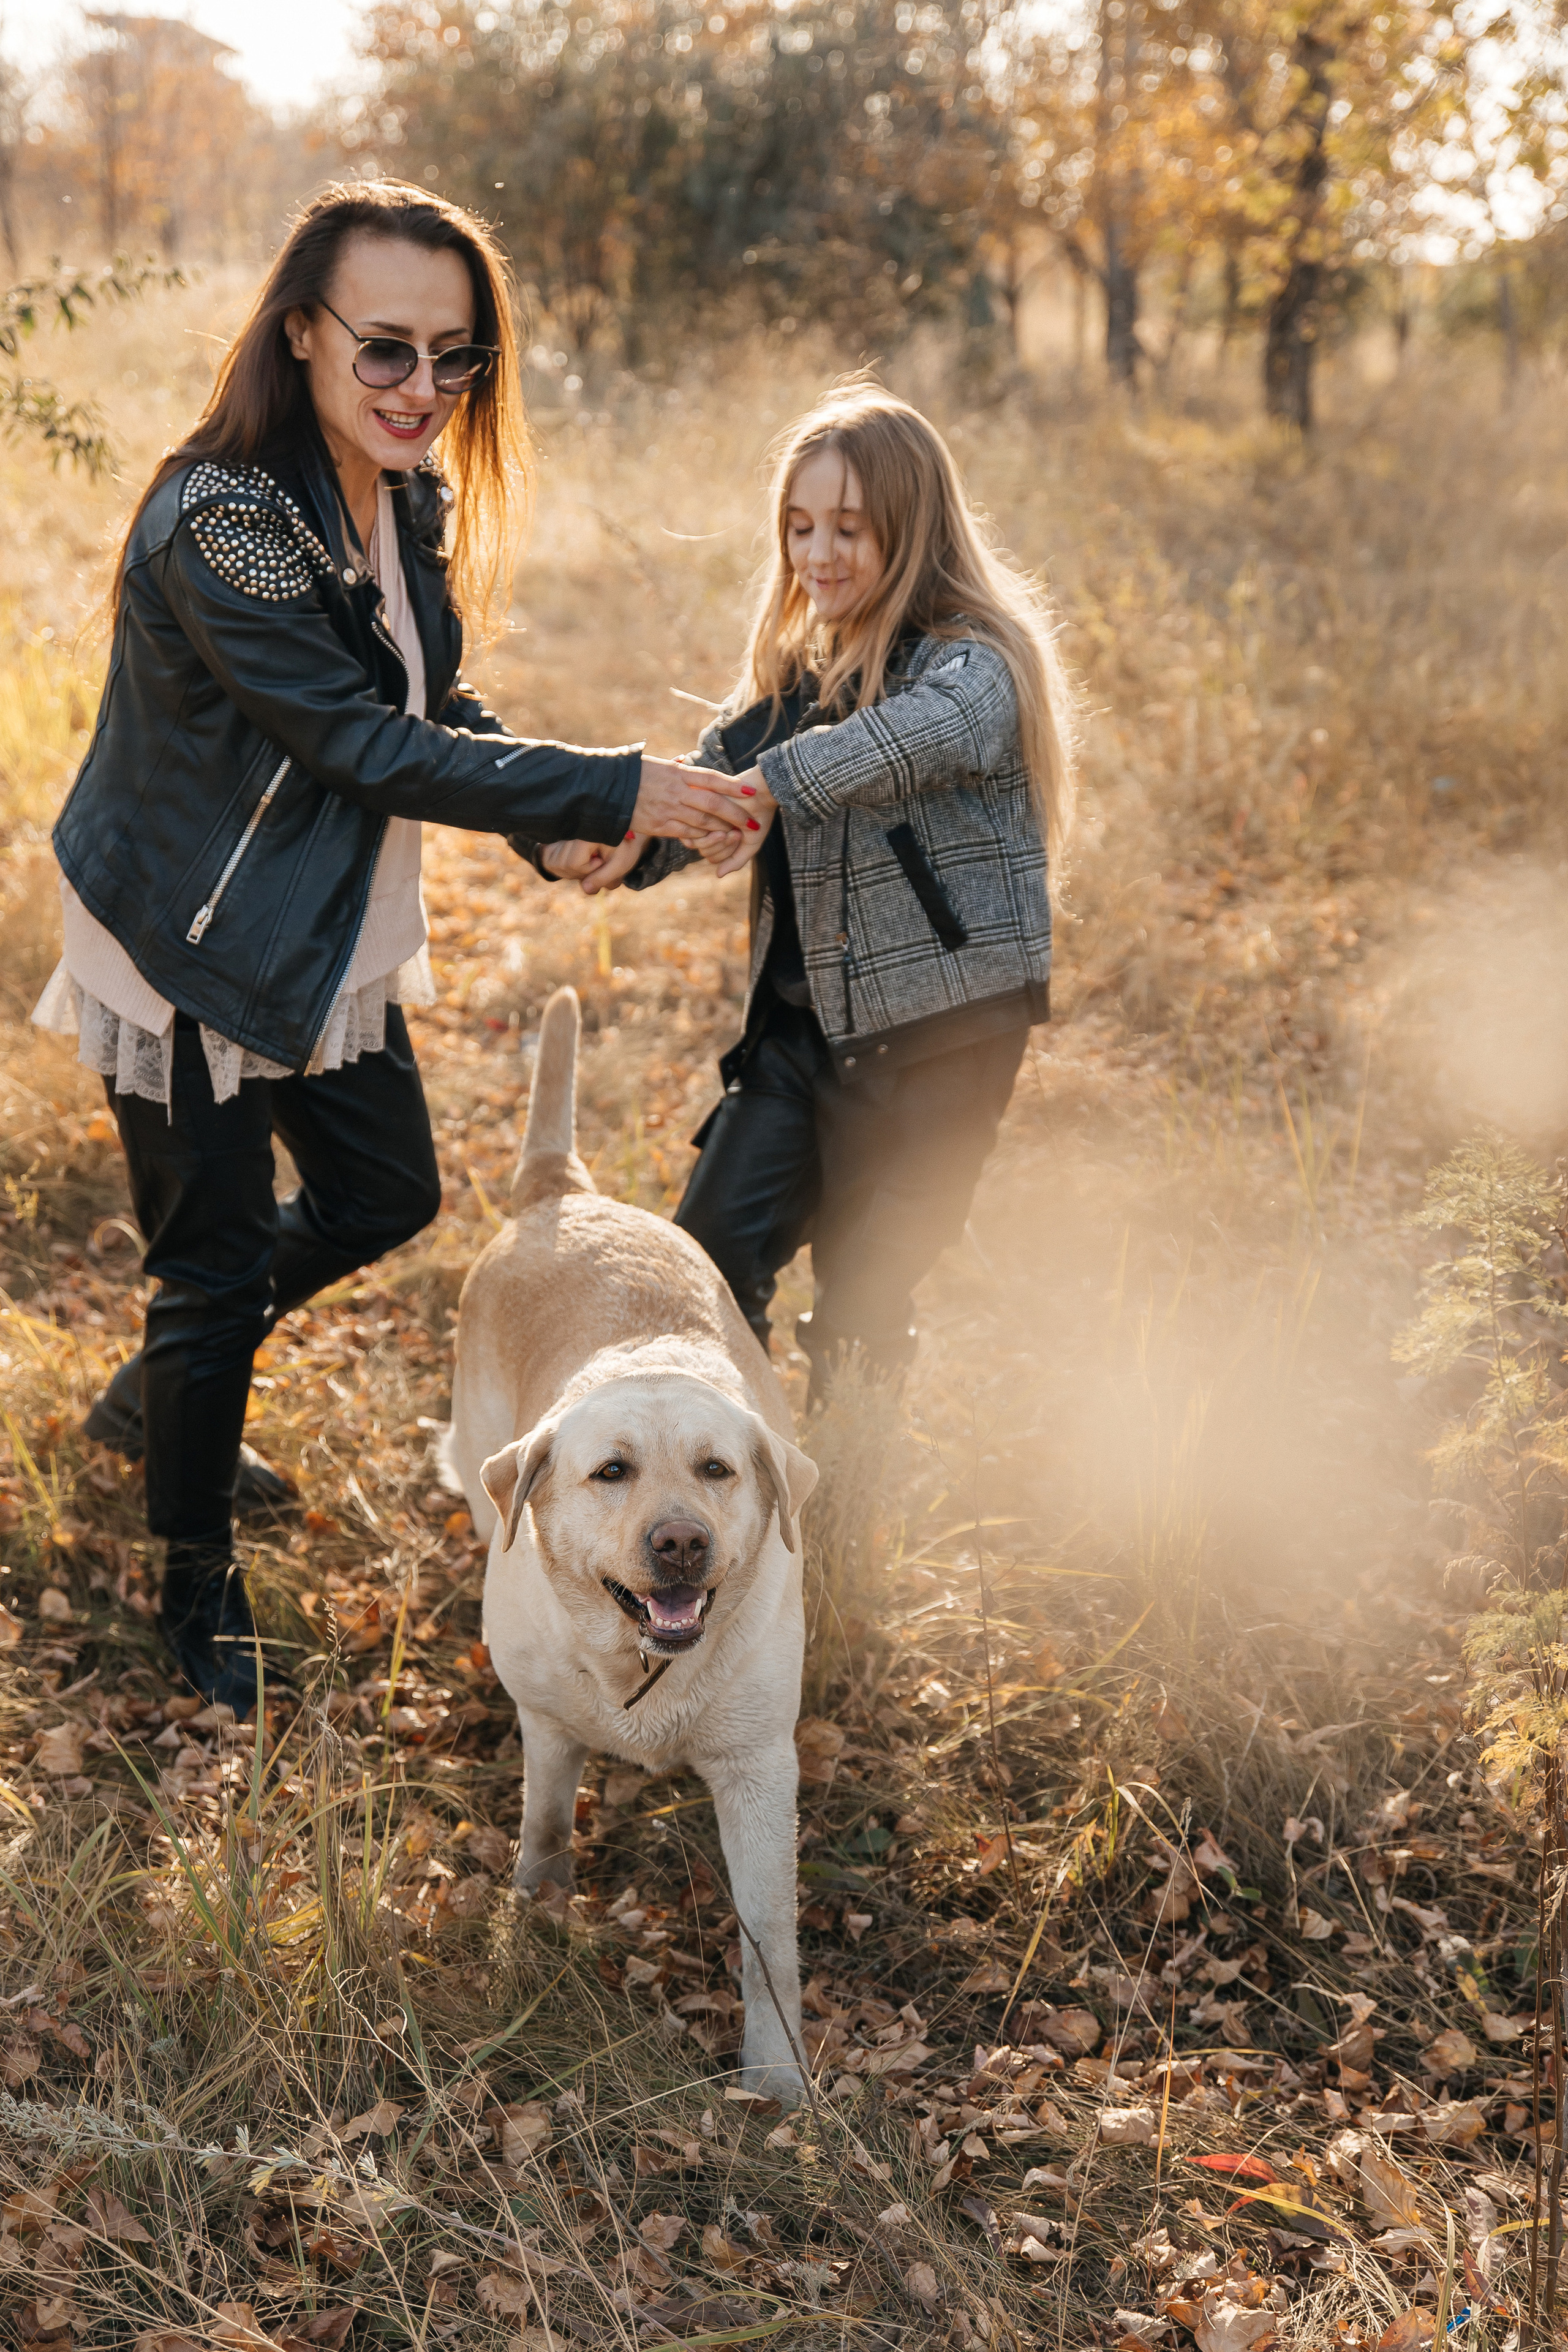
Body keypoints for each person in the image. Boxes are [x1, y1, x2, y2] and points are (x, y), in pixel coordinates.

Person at [32, 181, 737, 1708]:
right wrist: (611, 782)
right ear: (302, 332)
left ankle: (162, 1393)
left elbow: (424, 707)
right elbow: (352, 741)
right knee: (213, 1266)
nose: (423, 387)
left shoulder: (398, 497)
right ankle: (192, 1579)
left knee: (385, 1190)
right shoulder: (225, 518)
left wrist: (555, 830)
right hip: (187, 936)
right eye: (386, 350)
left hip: (314, 923)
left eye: (455, 356)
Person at [544, 381, 1077, 1406]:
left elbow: (899, 741)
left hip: (939, 1047)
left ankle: (849, 1485)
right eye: (799, 527)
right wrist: (621, 836)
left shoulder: (977, 667)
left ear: (913, 530)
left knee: (863, 1304)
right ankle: (730, 1468)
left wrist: (765, 787)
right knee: (703, 1268)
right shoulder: (800, 678)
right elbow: (713, 780)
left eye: (849, 528)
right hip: (799, 1039)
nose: (817, 554)